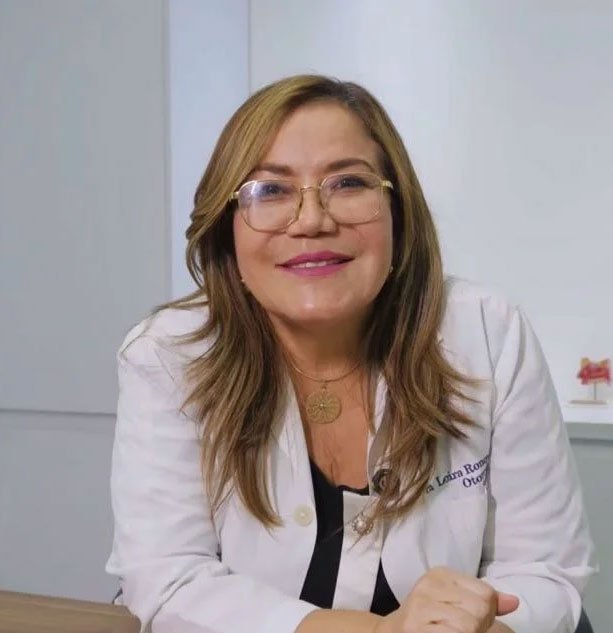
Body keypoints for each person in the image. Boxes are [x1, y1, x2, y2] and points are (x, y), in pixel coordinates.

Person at [106, 75, 595, 633]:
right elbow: (168, 577)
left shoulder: (487, 332)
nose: (312, 220)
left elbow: (545, 569)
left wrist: (492, 626)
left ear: (397, 213)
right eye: (271, 190)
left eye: (348, 183)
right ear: (226, 228)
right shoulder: (168, 356)